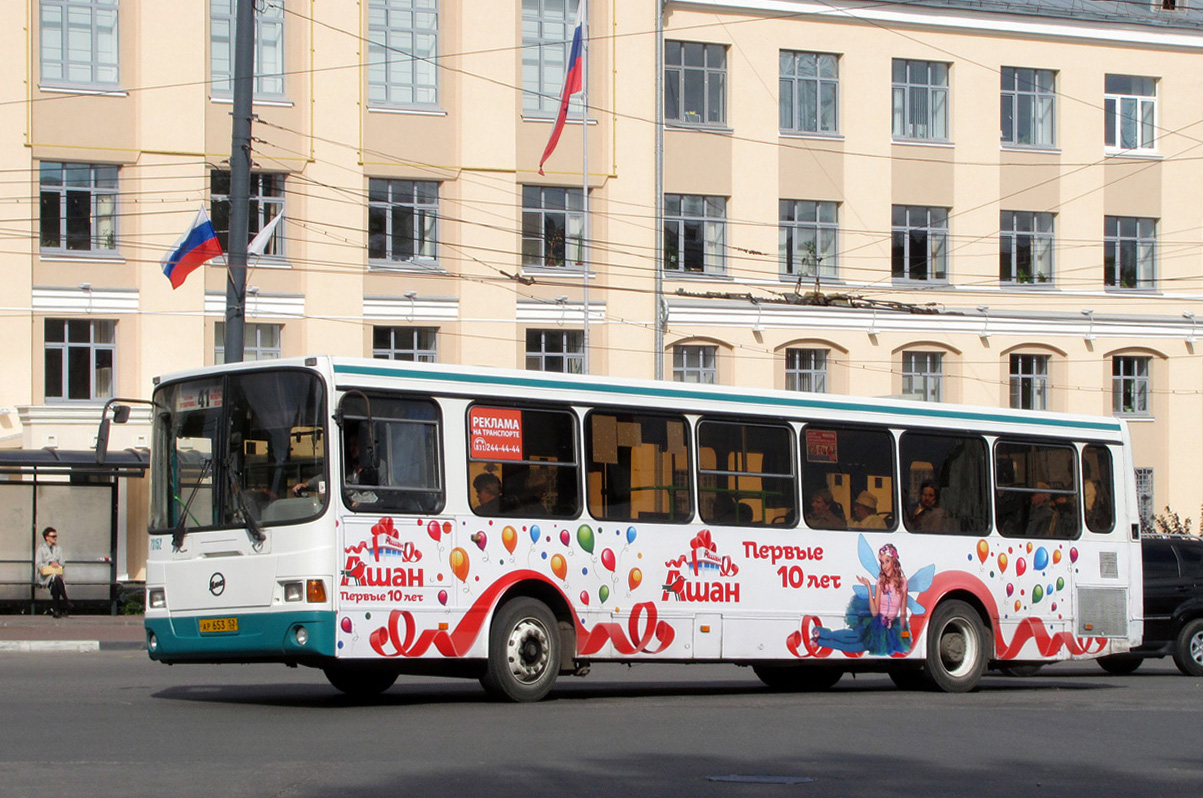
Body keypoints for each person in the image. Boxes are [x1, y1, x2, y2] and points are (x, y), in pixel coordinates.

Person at [813, 543, 911, 656]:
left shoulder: (903, 582)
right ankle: (823, 633)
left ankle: (820, 641)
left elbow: (903, 612)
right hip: (876, 622)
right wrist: (869, 587)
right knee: (856, 636)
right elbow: (875, 613)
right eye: (882, 562)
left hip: (890, 628)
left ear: (894, 561)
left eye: (887, 561)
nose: (885, 566)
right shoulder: (881, 581)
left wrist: (903, 633)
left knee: (856, 647)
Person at [35, 526, 70, 618]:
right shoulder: (41, 549)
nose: (55, 538)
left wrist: (57, 564)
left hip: (56, 574)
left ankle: (56, 610)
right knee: (55, 579)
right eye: (53, 536)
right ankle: (65, 600)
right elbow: (38, 563)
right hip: (45, 576)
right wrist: (49, 563)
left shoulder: (58, 548)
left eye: (55, 536)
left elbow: (63, 562)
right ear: (47, 537)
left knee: (55, 581)